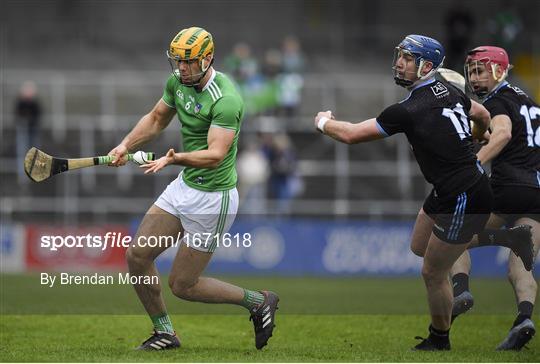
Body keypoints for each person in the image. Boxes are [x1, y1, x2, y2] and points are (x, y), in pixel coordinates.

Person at [314, 35, 534, 351]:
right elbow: (483, 116)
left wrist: (323, 122)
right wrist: (473, 140)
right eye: (399, 55)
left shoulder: (409, 109)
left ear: (427, 66)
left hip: (464, 195)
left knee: (432, 272)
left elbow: (350, 135)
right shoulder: (453, 92)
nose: (399, 62)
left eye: (407, 58)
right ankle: (504, 241)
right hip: (449, 190)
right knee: (420, 245)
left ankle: (439, 339)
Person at [108, 27, 279, 351]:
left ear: (208, 58)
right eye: (177, 62)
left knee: (183, 285)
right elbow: (157, 118)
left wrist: (176, 158)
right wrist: (125, 145)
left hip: (213, 199)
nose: (181, 68)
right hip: (184, 186)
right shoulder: (177, 83)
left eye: (188, 62)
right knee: (137, 256)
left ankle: (258, 301)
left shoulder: (226, 98)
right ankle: (165, 333)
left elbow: (215, 155)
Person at [450, 46, 539, 350]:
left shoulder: (499, 100)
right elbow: (512, 137)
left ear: (500, 71)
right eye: (472, 70)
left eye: (481, 70)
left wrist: (474, 163)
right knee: (522, 265)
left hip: (507, 187)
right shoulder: (530, 102)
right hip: (537, 193)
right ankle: (524, 318)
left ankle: (460, 290)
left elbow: (502, 135)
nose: (475, 77)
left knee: (452, 239)